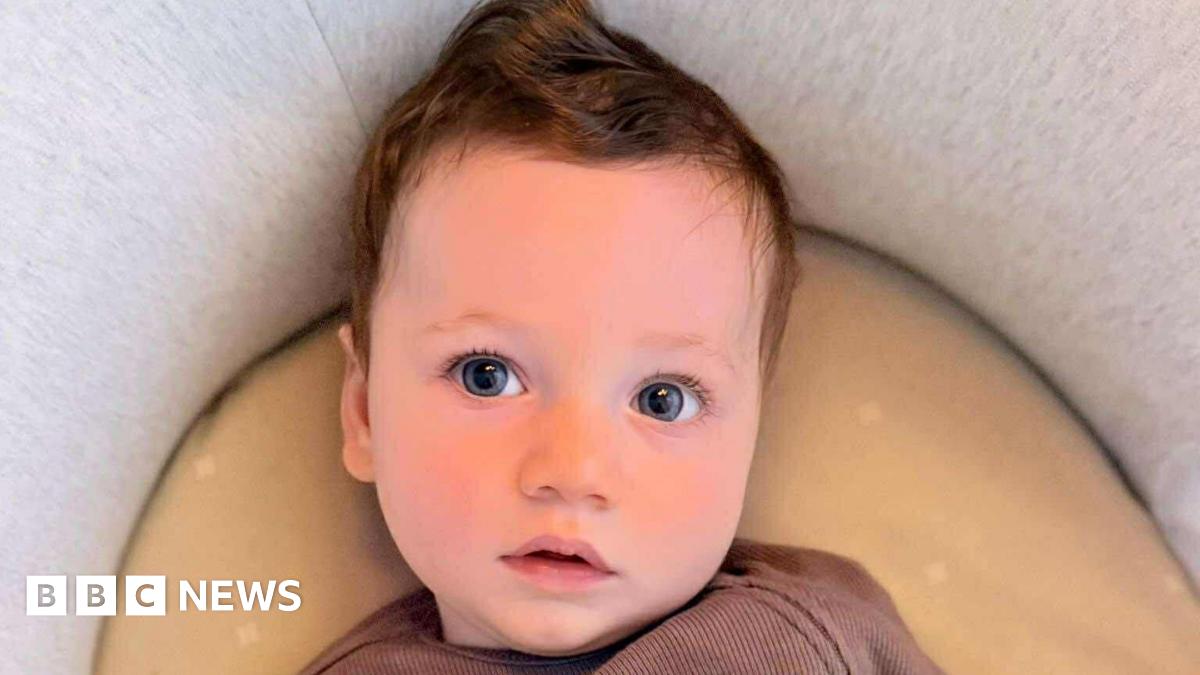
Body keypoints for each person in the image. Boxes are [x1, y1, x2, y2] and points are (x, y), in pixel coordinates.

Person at [301, 0, 944, 672]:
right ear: (365, 410)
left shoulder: (804, 636)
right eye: (485, 375)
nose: (573, 473)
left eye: (663, 398)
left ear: (753, 432)